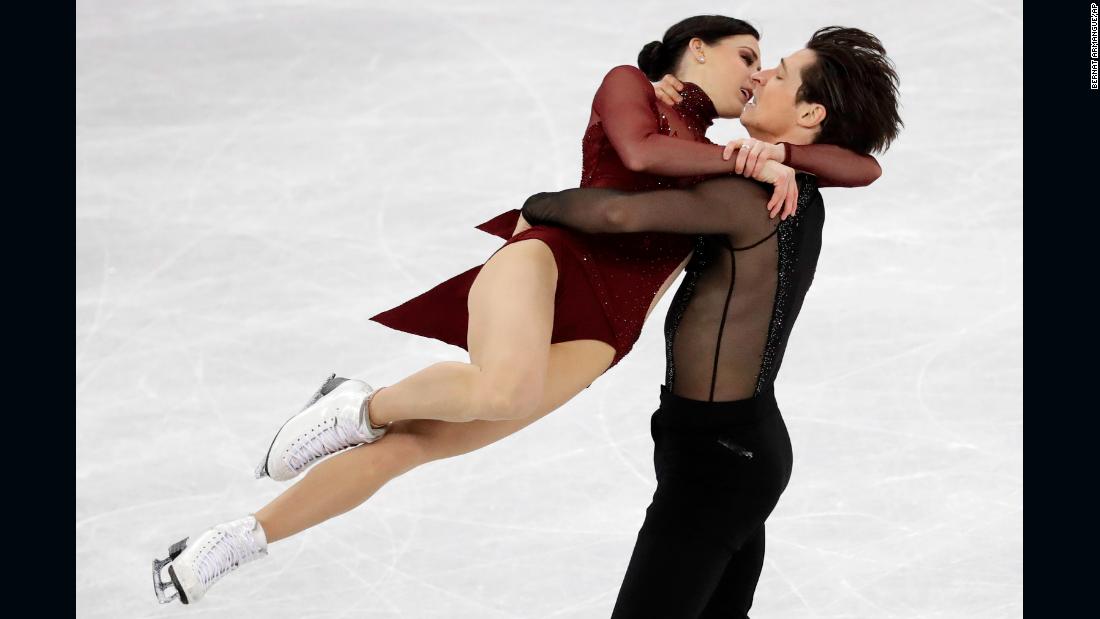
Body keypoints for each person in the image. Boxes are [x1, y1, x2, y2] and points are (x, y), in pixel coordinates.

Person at [151, 16, 879, 606]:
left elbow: (861, 165)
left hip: (606, 329)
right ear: (696, 49)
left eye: (773, 69)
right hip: (549, 262)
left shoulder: (741, 164)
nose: (758, 73)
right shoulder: (642, 94)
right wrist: (757, 158)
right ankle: (363, 404)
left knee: (421, 444)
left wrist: (772, 152)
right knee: (498, 389)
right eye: (750, 55)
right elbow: (638, 153)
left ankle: (238, 538)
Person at [519, 26, 903, 618]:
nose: (761, 77)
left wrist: (534, 205)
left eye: (777, 72)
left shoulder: (752, 197)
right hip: (731, 444)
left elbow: (616, 213)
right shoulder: (789, 180)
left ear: (809, 113)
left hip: (719, 456)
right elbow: (857, 166)